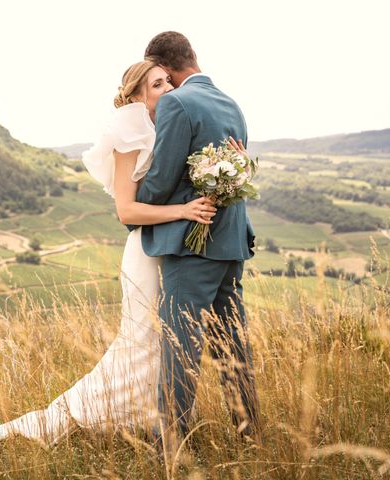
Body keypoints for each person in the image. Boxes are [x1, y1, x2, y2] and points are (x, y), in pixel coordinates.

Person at [0, 59, 218, 446]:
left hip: (170, 249)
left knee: (165, 343)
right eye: (157, 84)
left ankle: (153, 421)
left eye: (167, 81)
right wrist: (183, 210)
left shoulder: (169, 129)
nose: (168, 89)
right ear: (139, 96)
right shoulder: (128, 137)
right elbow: (126, 210)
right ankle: (65, 418)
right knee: (141, 342)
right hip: (145, 249)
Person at [126, 31, 262, 450]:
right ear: (193, 58)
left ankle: (170, 442)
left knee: (180, 342)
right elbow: (235, 170)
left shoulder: (175, 102)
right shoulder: (230, 103)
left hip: (193, 245)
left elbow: (164, 177)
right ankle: (249, 431)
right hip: (231, 243)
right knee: (230, 341)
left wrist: (135, 207)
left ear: (163, 68)